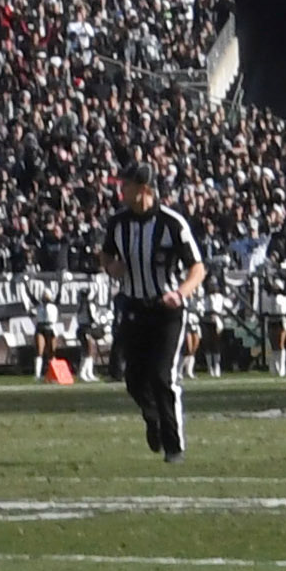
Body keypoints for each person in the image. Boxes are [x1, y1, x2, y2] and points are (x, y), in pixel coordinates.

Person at [99, 159, 206, 464]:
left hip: (166, 310)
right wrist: (109, 266)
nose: (122, 190)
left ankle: (174, 447)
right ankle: (152, 417)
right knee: (133, 377)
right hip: (134, 307)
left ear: (143, 189)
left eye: (126, 185)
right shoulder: (117, 223)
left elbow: (197, 268)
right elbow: (105, 254)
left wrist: (180, 292)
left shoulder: (172, 223)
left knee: (162, 376)